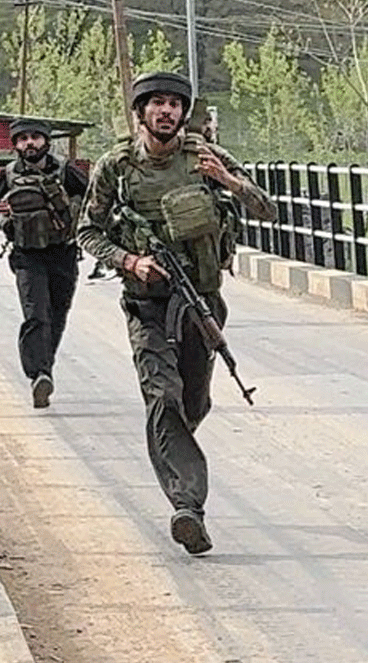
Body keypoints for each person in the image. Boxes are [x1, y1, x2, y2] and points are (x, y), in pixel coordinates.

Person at [76, 71, 277, 555]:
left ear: (184, 113)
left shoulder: (204, 157)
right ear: (141, 111)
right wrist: (130, 261)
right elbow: (87, 231)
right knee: (163, 397)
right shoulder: (116, 167)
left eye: (174, 104)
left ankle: (171, 450)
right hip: (148, 305)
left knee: (194, 402)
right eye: (157, 103)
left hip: (202, 301)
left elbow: (267, 210)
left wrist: (227, 181)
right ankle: (188, 507)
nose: (166, 112)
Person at [0, 118, 88, 408]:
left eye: (35, 137)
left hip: (63, 254)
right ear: (15, 144)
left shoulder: (65, 171)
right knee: (36, 315)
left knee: (57, 315)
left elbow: (97, 199)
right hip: (27, 257)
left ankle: (46, 368)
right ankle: (39, 374)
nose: (29, 143)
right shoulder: (8, 175)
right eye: (22, 139)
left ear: (46, 141)